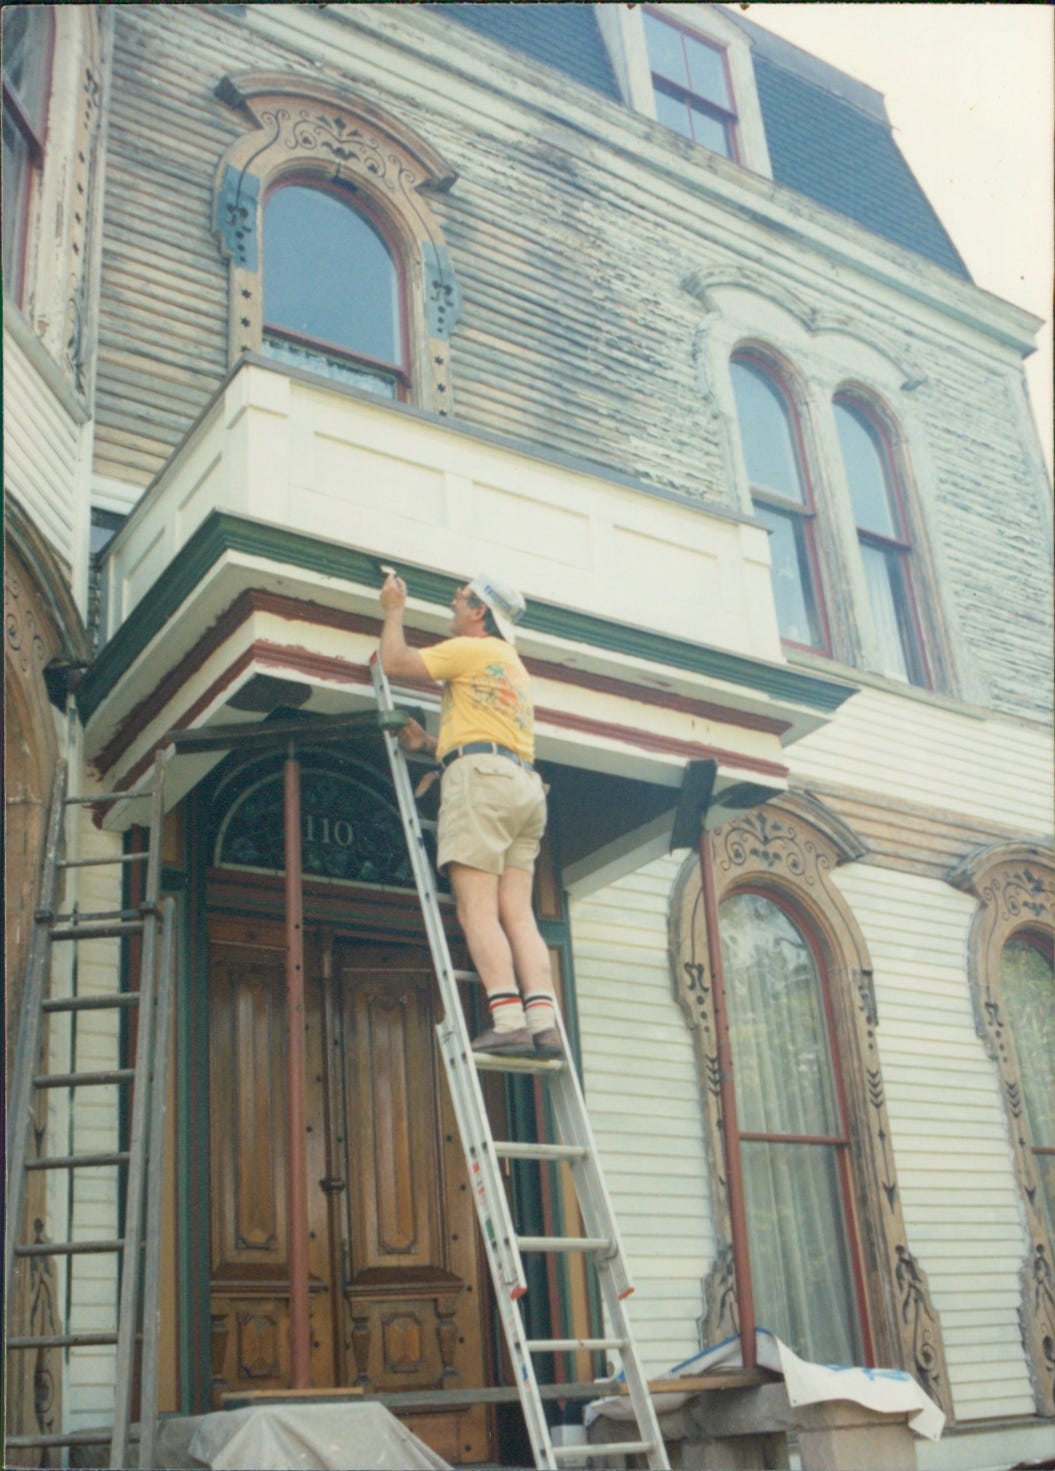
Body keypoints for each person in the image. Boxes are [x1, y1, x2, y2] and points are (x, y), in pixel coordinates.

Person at [379, 569, 562, 1057]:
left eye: (460, 599)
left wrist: (394, 608)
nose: (453, 606)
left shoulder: (471, 649)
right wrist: (434, 745)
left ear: (480, 612)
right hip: (524, 786)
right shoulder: (512, 666)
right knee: (518, 914)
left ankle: (507, 1020)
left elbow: (394, 662)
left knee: (476, 908)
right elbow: (489, 737)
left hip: (482, 784)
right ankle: (543, 1022)